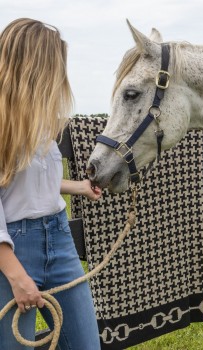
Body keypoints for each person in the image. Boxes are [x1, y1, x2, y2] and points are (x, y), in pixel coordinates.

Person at [0, 18, 102, 349]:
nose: (60, 77)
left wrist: (79, 187)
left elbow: (28, 183)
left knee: (86, 344)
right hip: (13, 249)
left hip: (58, 239)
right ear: (34, 66)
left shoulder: (38, 119)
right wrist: (16, 275)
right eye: (54, 67)